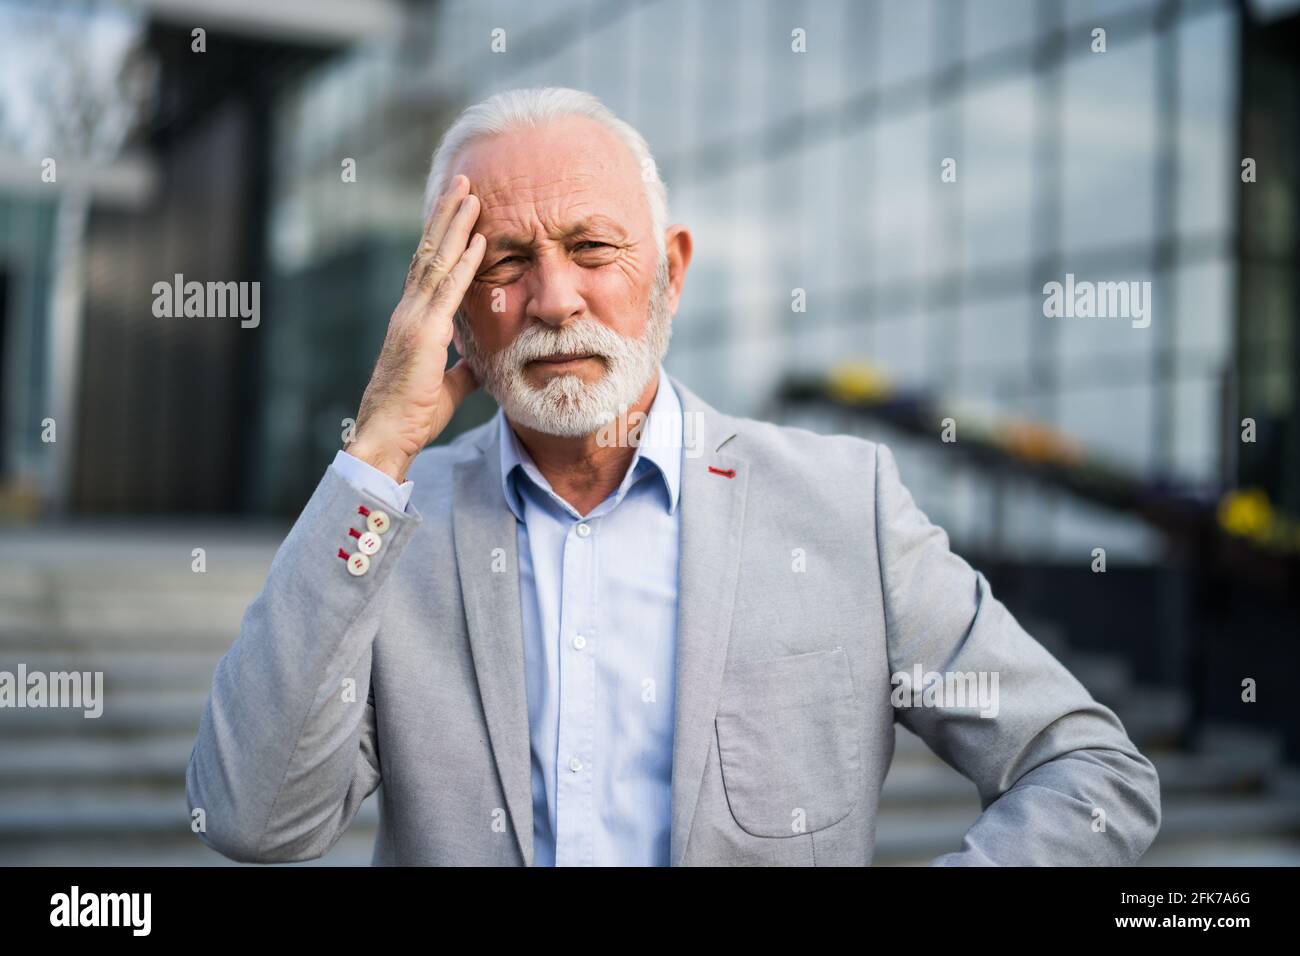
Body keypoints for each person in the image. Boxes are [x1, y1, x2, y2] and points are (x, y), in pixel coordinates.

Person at [186, 86, 1160, 866]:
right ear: (450, 307)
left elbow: (1087, 768)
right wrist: (377, 450)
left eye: (592, 248)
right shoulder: (389, 526)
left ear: (674, 271)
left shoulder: (841, 506)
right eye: (506, 262)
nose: (554, 297)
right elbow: (251, 817)